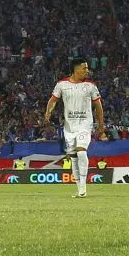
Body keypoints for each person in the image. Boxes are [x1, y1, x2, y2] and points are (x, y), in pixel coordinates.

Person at [44, 58, 105, 198]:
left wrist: (101, 125)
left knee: (81, 152)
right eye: (85, 68)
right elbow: (53, 100)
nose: (87, 71)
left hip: (85, 124)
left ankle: (83, 188)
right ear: (76, 70)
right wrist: (48, 112)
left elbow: (98, 106)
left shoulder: (90, 85)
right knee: (74, 158)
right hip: (69, 127)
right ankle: (79, 189)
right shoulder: (62, 84)